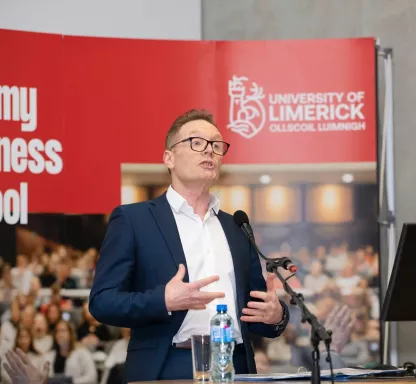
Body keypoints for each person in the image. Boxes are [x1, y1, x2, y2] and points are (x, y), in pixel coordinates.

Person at [89, 109, 289, 382]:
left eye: (216, 146)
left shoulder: (237, 227)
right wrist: (164, 300)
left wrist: (275, 315)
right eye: (196, 142)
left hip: (237, 366)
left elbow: (259, 314)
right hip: (168, 366)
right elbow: (102, 302)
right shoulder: (133, 220)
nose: (209, 151)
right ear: (168, 157)